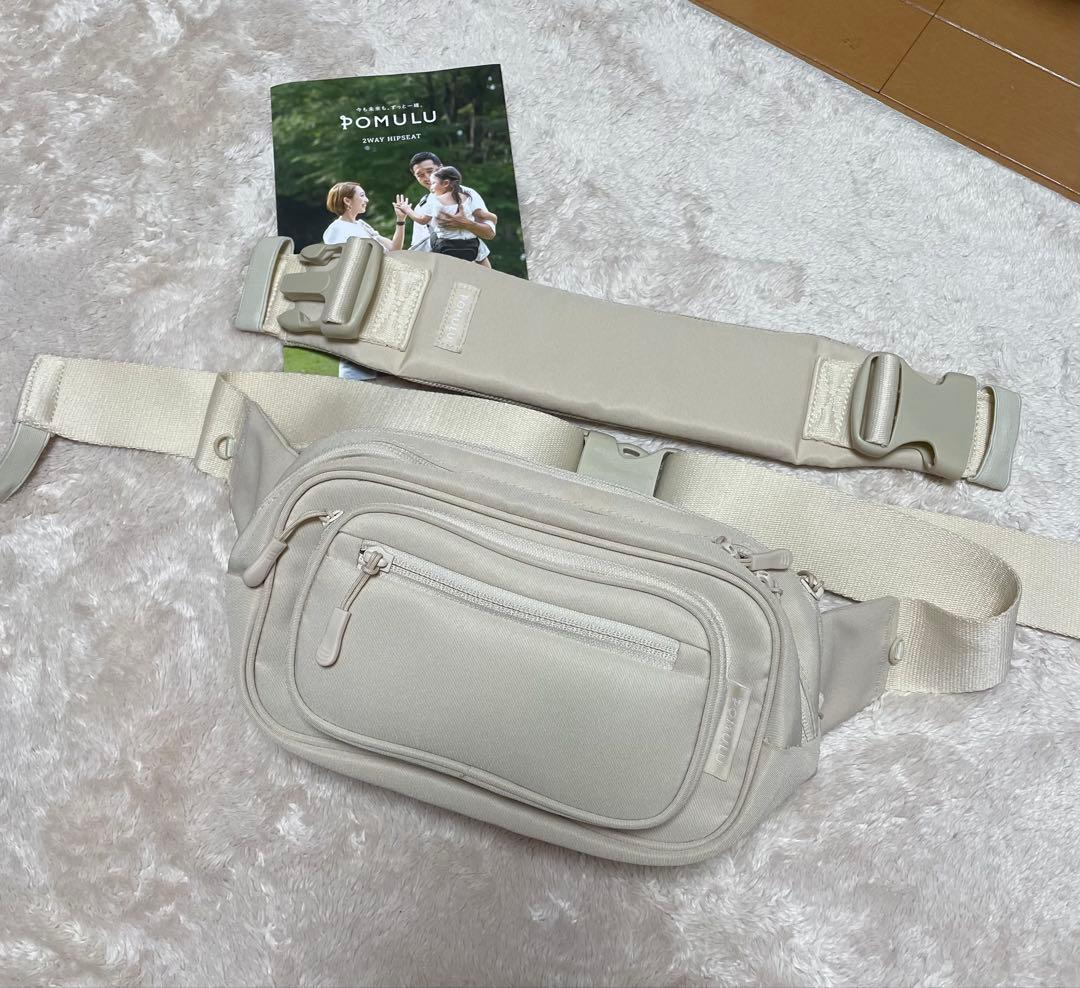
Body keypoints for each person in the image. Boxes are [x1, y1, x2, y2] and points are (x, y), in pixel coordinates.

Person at [405, 152, 496, 267]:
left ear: (441, 169)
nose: (427, 177)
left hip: (469, 264)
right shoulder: (421, 207)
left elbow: (489, 234)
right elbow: (419, 246)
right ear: (415, 177)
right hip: (439, 267)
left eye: (430, 171)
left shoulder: (467, 194)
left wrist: (467, 224)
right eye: (420, 175)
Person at [322, 182, 406, 251]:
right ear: (347, 201)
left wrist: (400, 219)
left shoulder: (362, 225)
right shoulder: (336, 228)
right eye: (362, 195)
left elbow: (394, 248)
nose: (367, 200)